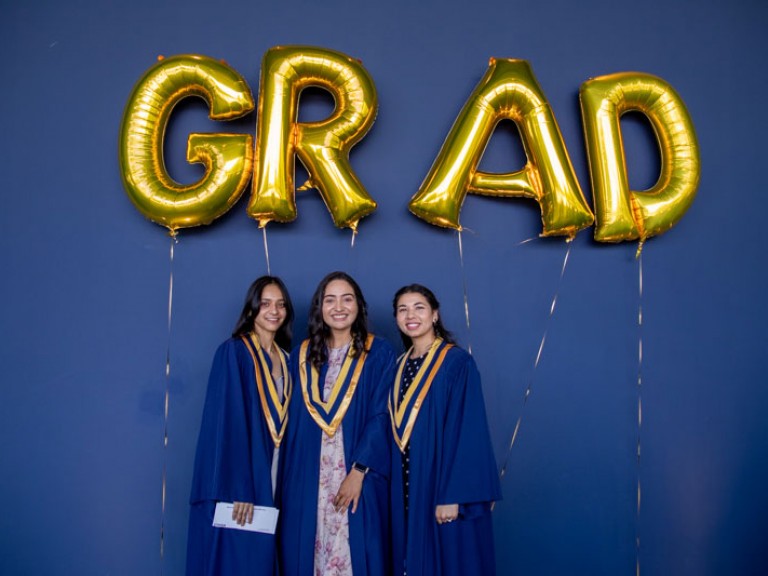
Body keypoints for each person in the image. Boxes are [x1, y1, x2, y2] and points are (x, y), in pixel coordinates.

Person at [277, 271, 396, 576]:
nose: (339, 307)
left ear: (358, 306)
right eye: (330, 300)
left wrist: (358, 471)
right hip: (307, 477)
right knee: (307, 550)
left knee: (355, 552)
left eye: (347, 299)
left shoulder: (378, 352)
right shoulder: (300, 357)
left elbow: (382, 414)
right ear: (319, 307)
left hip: (356, 474)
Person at [389, 284, 501, 576]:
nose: (410, 315)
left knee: (448, 559)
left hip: (439, 481)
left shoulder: (456, 362)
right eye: (403, 309)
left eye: (419, 307)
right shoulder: (398, 365)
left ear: (435, 314)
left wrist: (453, 495)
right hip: (404, 481)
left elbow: (469, 431)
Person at [186, 276, 294, 576]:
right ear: (252, 308)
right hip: (242, 480)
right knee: (237, 560)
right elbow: (225, 425)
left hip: (275, 473)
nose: (274, 311)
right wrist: (238, 487)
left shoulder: (287, 359)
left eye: (281, 304)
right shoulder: (234, 352)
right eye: (266, 303)